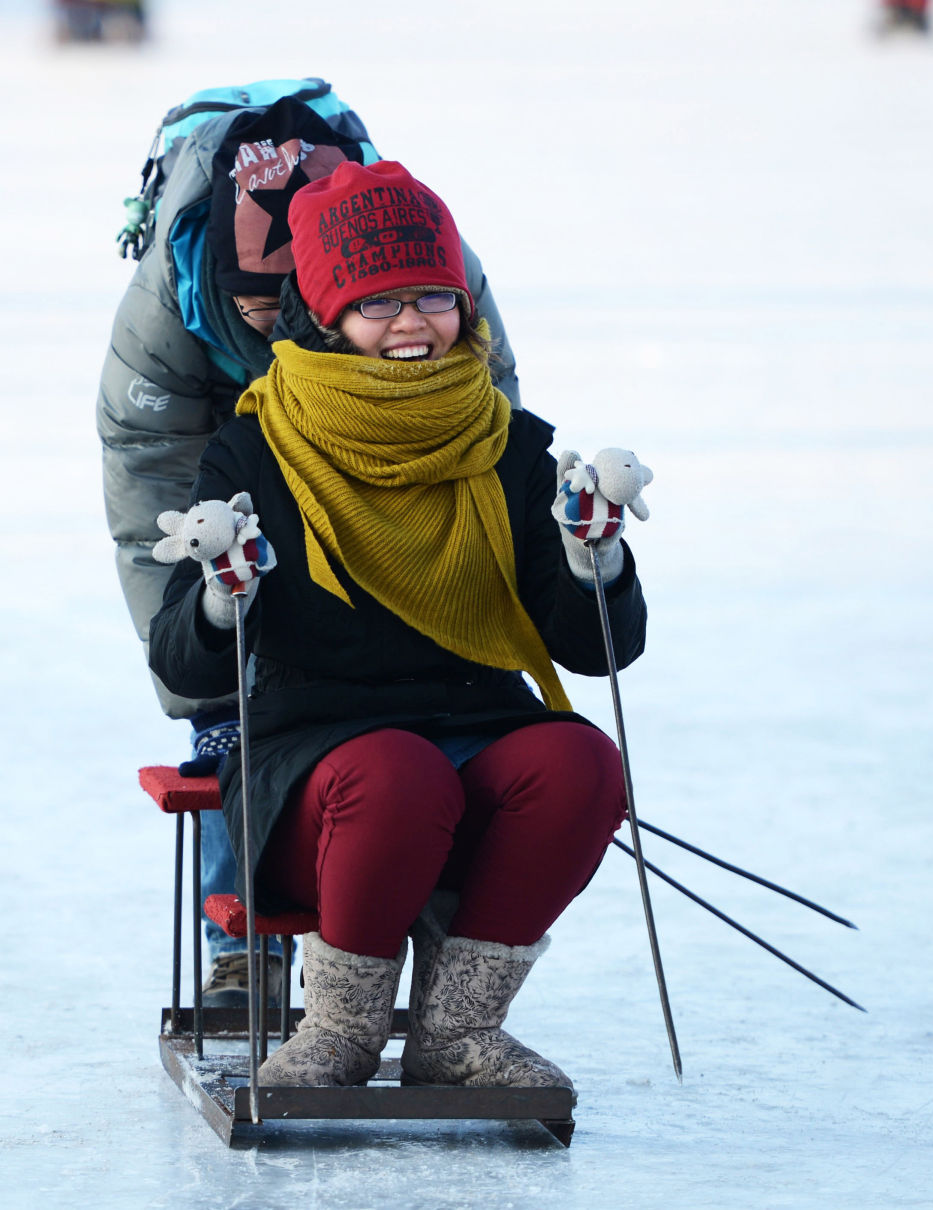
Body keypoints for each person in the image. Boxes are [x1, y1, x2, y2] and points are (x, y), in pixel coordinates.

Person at [146, 159, 651, 1090]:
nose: (413, 323)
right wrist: (224, 596)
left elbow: (593, 648)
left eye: (433, 296)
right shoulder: (256, 446)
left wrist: (597, 562)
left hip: (479, 732)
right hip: (319, 768)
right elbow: (178, 653)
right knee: (397, 773)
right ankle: (340, 1028)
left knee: (581, 763)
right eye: (379, 303)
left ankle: (455, 1032)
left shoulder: (511, 441)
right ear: (327, 316)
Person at [97, 95, 523, 1007]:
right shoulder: (170, 311)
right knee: (234, 721)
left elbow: (486, 418)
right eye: (253, 316)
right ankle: (242, 943)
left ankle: (421, 903)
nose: (273, 337)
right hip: (222, 434)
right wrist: (204, 678)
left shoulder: (418, 262)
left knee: (392, 704)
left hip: (374, 395)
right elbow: (148, 494)